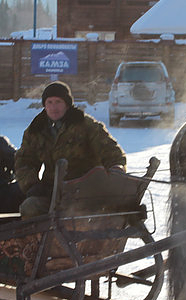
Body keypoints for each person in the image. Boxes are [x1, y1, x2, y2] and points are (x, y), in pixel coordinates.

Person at [15, 81, 127, 217]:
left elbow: (110, 151)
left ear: (67, 104)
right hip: (52, 193)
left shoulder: (85, 125)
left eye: (58, 102)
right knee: (29, 207)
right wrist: (32, 185)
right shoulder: (35, 130)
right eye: (49, 102)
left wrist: (116, 167)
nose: (54, 107)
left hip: (87, 192)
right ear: (44, 105)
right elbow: (24, 162)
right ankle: (41, 238)